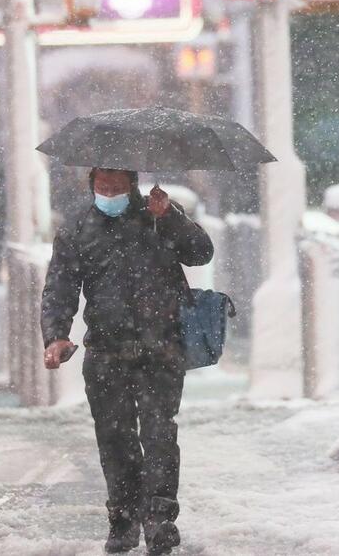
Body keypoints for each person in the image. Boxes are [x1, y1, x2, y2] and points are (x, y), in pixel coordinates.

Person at [41, 168, 213, 555]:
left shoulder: (159, 215)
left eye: (117, 187)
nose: (110, 193)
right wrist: (55, 335)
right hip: (106, 351)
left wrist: (169, 216)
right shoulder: (78, 228)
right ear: (92, 186)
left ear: (132, 186)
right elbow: (60, 286)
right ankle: (122, 519)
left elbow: (201, 252)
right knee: (115, 439)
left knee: (159, 435)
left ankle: (160, 519)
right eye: (103, 187)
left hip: (161, 349)